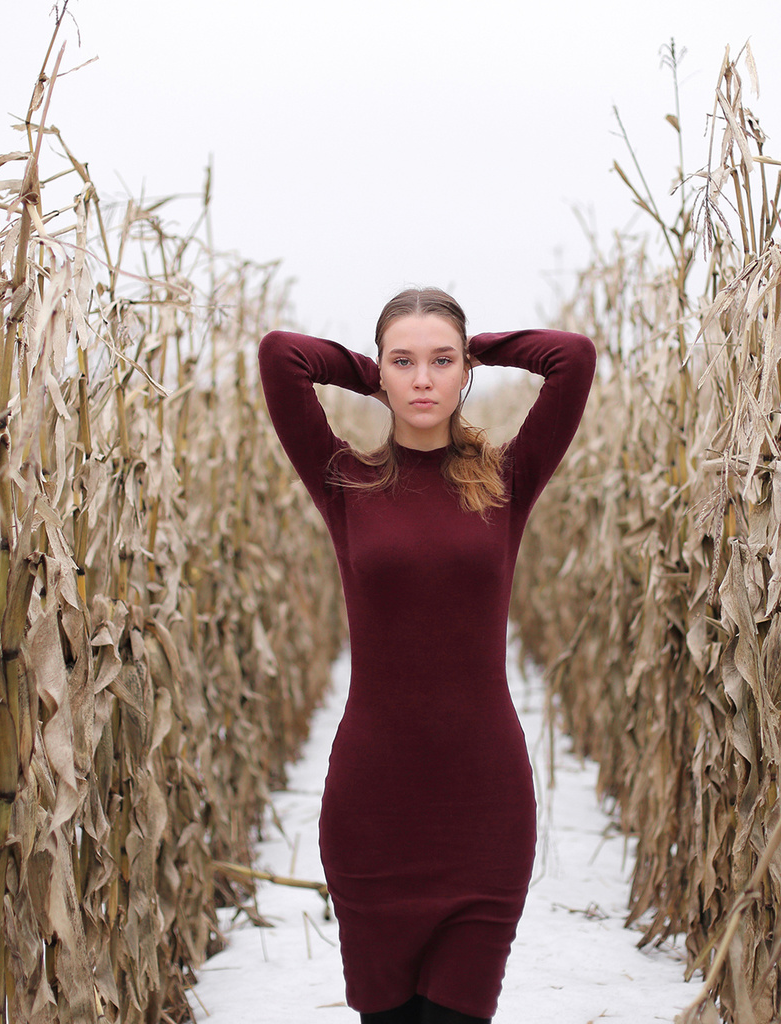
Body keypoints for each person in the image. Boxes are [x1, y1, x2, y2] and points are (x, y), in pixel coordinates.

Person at [258, 287, 595, 1024]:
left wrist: (483, 348)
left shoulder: (506, 481)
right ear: (380, 372)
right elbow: (281, 356)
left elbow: (572, 359)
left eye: (442, 362)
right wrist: (368, 368)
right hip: (372, 813)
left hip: (484, 810)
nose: (422, 379)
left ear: (464, 372)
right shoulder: (346, 480)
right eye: (402, 362)